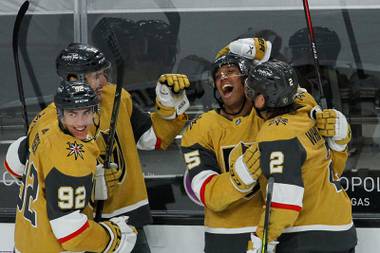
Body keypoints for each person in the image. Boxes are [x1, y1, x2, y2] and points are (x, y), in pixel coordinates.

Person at [5, 43, 190, 253]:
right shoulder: (51, 123)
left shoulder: (117, 97)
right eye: (95, 76)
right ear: (72, 79)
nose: (103, 81)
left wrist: (169, 106)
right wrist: (87, 183)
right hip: (85, 224)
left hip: (125, 215)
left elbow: (153, 139)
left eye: (104, 73)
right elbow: (24, 171)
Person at [181, 38, 351, 253]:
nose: (223, 76)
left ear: (250, 81)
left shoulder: (280, 112)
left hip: (278, 233)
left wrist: (339, 138)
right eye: (217, 75)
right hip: (227, 238)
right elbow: (205, 193)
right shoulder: (198, 129)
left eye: (231, 70)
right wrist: (239, 178)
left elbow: (326, 166)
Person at [235, 60, 356, 253]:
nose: (248, 96)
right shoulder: (307, 107)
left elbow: (285, 200)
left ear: (262, 100)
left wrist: (261, 242)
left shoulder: (276, 133)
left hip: (307, 236)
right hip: (342, 228)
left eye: (252, 92)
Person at [14, 81, 137, 253]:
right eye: (73, 114)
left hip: (24, 242)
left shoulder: (43, 125)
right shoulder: (72, 157)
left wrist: (86, 186)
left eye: (86, 112)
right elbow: (72, 235)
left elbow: (13, 165)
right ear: (61, 114)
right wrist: (113, 236)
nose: (80, 122)